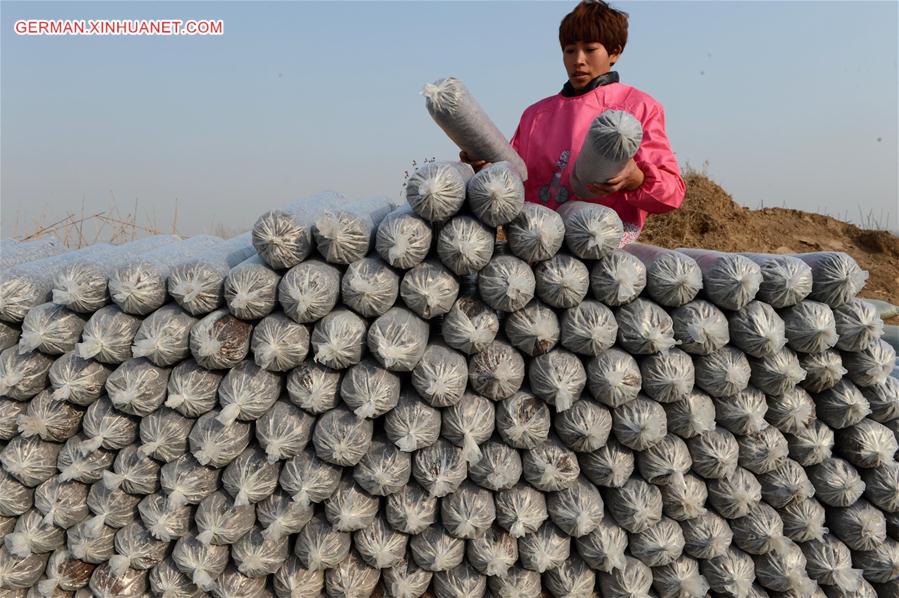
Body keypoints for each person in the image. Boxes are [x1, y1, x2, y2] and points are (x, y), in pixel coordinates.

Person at [462, 0, 685, 245]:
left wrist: (636, 179)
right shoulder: (536, 115)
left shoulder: (638, 107)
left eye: (590, 49)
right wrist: (484, 167)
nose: (578, 60)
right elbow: (515, 178)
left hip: (604, 249)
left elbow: (672, 193)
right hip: (538, 244)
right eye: (570, 50)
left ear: (614, 53)